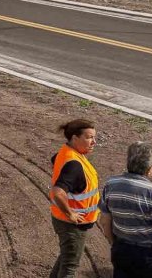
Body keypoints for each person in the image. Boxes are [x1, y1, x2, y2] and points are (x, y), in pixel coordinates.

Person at [98, 142, 152, 278]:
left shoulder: (111, 184)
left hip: (122, 249)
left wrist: (114, 243)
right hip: (148, 256)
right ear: (149, 169)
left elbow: (104, 221)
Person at [49, 118, 101, 278]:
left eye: (94, 137)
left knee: (66, 258)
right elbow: (58, 192)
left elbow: (54, 159)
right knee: (70, 266)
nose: (94, 142)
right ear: (74, 138)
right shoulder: (74, 164)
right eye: (89, 137)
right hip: (72, 225)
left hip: (62, 219)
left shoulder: (67, 152)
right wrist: (70, 213)